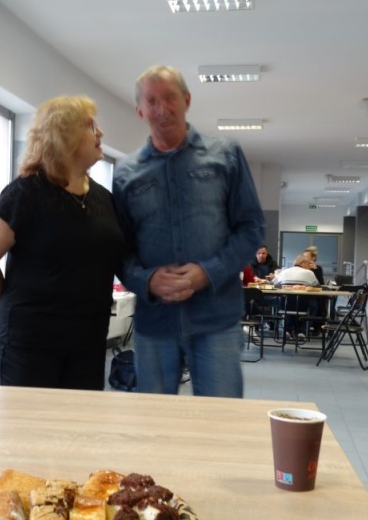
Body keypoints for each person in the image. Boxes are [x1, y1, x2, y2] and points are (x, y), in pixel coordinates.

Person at [112, 65, 265, 397]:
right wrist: (147, 280)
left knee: (219, 420)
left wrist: (207, 273)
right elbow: (119, 250)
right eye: (152, 101)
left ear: (187, 100)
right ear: (140, 111)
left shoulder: (225, 155)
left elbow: (251, 227)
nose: (162, 109)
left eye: (170, 97)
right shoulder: (125, 174)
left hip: (216, 319)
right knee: (155, 422)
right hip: (155, 323)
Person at [0, 95, 126, 390]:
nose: (101, 132)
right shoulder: (25, 193)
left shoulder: (105, 200)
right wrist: (10, 307)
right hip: (30, 347)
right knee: (28, 421)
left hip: (88, 346)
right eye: (90, 125)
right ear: (64, 135)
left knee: (79, 420)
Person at [272, 254, 321, 341]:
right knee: (314, 305)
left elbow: (273, 284)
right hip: (303, 304)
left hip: (285, 304)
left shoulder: (285, 271)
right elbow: (318, 286)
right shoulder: (309, 273)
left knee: (287, 302)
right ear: (302, 263)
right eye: (308, 263)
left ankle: (287, 329)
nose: (309, 266)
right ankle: (302, 331)